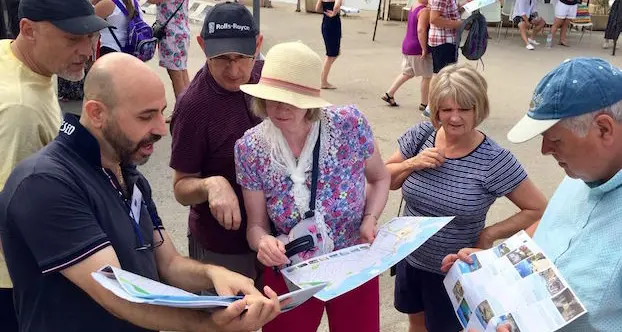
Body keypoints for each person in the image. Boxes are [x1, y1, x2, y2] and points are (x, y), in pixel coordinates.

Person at [0, 52, 281, 332]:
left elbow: (168, 263)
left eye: (161, 112)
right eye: (146, 116)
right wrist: (210, 325)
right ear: (97, 113)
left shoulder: (127, 173)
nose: (161, 129)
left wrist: (214, 274)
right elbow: (117, 294)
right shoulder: (45, 183)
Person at [443, 57, 622, 332]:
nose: (544, 150)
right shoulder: (585, 170)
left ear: (604, 129)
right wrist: (492, 266)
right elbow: (549, 229)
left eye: (556, 139)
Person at [235, 41, 391, 332]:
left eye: (291, 99)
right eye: (272, 98)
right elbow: (255, 226)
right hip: (291, 267)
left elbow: (380, 178)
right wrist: (263, 243)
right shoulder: (250, 148)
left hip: (352, 260)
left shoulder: (349, 125)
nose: (279, 108)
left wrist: (369, 219)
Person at [384, 63, 547, 332]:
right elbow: (385, 179)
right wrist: (411, 163)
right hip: (410, 256)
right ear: (435, 109)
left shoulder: (494, 160)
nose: (455, 118)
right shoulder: (421, 136)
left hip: (454, 270)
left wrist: (489, 234)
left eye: (464, 109)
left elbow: (537, 208)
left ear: (478, 109)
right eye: (446, 109)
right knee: (415, 321)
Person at [0, 0, 110, 330]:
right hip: (17, 282)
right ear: (28, 30)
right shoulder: (21, 109)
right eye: (71, 38)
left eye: (90, 36)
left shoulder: (20, 58)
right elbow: (11, 213)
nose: (87, 50)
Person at [170, 2, 265, 283]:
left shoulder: (267, 77)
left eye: (243, 57)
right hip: (223, 245)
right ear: (202, 45)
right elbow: (181, 187)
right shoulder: (192, 107)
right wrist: (211, 184)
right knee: (226, 322)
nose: (234, 70)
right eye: (222, 58)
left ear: (258, 44)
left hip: (276, 236)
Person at [381, 0, 433, 112]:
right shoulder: (424, 10)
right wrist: (424, 48)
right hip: (417, 47)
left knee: (407, 73)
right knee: (427, 75)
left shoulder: (415, 6)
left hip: (407, 44)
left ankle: (389, 93)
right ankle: (424, 103)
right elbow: (421, 30)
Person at [157, 0, 190, 122]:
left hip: (171, 33)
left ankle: (182, 114)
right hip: (181, 29)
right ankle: (188, 110)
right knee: (182, 72)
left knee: (176, 75)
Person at [428, 0, 461, 75]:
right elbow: (434, 19)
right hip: (443, 42)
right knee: (444, 75)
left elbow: (449, 14)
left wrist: (465, 6)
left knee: (442, 74)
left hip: (446, 41)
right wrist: (460, 24)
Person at [315, 0, 341, 89]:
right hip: (334, 25)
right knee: (331, 55)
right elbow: (337, 5)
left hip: (325, 23)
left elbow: (317, 8)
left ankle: (323, 75)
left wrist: (325, 11)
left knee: (335, 52)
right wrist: (334, 13)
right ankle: (323, 81)